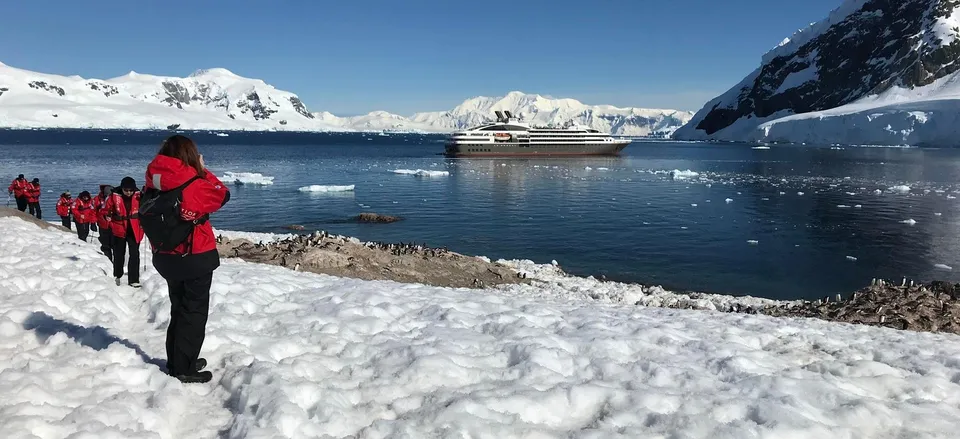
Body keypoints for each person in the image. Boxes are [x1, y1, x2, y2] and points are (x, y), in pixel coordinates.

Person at [145, 135, 229, 384]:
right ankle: (185, 368)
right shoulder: (192, 182)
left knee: (178, 308)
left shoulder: (153, 180)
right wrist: (202, 170)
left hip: (166, 256)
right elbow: (221, 195)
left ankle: (180, 359)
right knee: (193, 312)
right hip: (194, 256)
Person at [105, 177, 143, 288]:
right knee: (118, 253)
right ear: (122, 188)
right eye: (126, 190)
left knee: (134, 254)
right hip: (119, 229)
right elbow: (105, 209)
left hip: (134, 229)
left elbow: (146, 209)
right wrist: (108, 216)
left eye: (131, 190)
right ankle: (117, 275)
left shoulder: (139, 196)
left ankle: (134, 279)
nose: (129, 192)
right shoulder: (113, 196)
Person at [94, 184, 114, 261]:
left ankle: (116, 262)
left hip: (113, 225)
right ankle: (108, 260)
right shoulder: (97, 199)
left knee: (114, 244)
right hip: (102, 225)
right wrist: (93, 222)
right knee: (105, 244)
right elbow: (93, 211)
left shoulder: (115, 199)